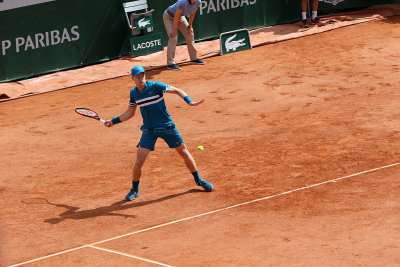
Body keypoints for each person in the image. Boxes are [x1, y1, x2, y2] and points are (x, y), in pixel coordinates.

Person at [104, 66, 213, 201]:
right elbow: (130, 113)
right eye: (138, 76)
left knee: (184, 152)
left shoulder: (156, 86)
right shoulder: (134, 93)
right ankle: (135, 189)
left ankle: (199, 180)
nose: (141, 79)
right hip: (149, 130)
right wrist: (113, 121)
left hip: (167, 127)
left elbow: (177, 90)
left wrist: (189, 101)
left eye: (143, 75)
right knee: (139, 162)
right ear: (132, 78)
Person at [163, 0, 205, 71]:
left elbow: (192, 14)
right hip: (169, 17)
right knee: (173, 37)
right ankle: (170, 63)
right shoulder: (182, 2)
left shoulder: (198, 2)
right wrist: (175, 30)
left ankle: (194, 58)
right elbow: (176, 16)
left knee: (190, 34)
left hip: (180, 17)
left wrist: (190, 26)